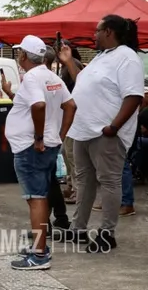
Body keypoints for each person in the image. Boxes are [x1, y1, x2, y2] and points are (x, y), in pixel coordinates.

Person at [58, 14, 144, 253]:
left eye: (97, 31)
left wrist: (114, 127)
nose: (93, 35)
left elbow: (134, 95)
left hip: (105, 132)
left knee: (108, 181)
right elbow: (82, 81)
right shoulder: (100, 58)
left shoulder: (126, 58)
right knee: (84, 182)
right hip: (83, 130)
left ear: (108, 32)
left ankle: (107, 233)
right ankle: (79, 229)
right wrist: (68, 61)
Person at [4, 35, 76, 270]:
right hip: (46, 146)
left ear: (23, 55)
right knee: (41, 196)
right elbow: (70, 105)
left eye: (19, 53)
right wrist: (59, 135)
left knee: (36, 198)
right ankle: (39, 246)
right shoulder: (51, 76)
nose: (18, 57)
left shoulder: (32, 78)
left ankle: (39, 254)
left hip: (31, 148)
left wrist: (38, 138)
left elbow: (39, 105)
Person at [58, 39, 85, 204]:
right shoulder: (67, 65)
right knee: (66, 153)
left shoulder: (72, 65)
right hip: (70, 116)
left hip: (74, 116)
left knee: (71, 154)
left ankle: (77, 189)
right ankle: (71, 185)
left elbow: (78, 88)